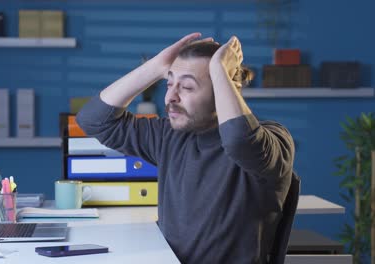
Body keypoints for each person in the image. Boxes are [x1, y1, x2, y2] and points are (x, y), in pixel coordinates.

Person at [76, 32, 295, 264]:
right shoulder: (170, 136)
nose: (170, 97)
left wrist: (221, 71)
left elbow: (238, 141)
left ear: (227, 87)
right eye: (169, 84)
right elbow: (94, 120)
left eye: (188, 87)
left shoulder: (273, 141)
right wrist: (155, 68)